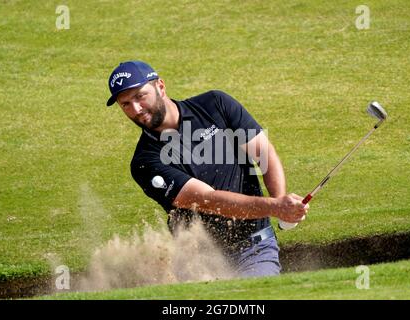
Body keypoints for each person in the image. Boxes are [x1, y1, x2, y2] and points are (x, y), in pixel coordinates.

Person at [106, 60, 309, 277]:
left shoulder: (215, 104)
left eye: (140, 96)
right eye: (125, 104)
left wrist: (281, 205)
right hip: (197, 262)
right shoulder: (145, 162)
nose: (136, 109)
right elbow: (208, 200)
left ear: (161, 87)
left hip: (254, 247)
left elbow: (263, 153)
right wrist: (275, 206)